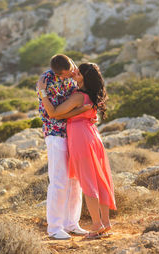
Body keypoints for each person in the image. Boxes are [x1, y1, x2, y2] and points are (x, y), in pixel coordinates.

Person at [38, 62, 116, 239]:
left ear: (85, 78)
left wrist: (43, 93)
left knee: (87, 182)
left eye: (78, 73)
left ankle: (96, 225)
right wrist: (82, 111)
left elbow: (55, 113)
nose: (74, 74)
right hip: (93, 135)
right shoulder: (92, 95)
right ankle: (105, 223)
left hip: (81, 137)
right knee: (99, 179)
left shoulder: (79, 96)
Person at [37, 54, 90, 240]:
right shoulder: (46, 82)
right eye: (68, 74)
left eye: (72, 70)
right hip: (55, 134)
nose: (72, 74)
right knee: (58, 181)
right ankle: (54, 227)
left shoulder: (73, 75)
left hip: (74, 133)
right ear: (58, 73)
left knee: (75, 180)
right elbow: (54, 114)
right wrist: (82, 110)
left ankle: (71, 223)